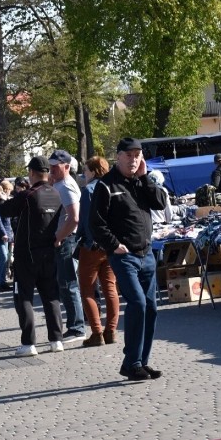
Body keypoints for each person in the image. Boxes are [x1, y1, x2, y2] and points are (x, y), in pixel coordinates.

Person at [90, 137, 168, 381]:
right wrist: (114, 245)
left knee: (151, 308)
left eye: (138, 155)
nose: (134, 159)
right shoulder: (106, 185)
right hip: (125, 257)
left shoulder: (140, 182)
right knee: (138, 304)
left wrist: (145, 177)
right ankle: (131, 362)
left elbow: (159, 202)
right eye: (129, 155)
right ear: (118, 156)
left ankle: (141, 362)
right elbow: (96, 224)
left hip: (146, 254)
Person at [0, 156, 65, 357]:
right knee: (51, 297)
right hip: (49, 252)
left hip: (27, 255)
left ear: (33, 173)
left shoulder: (28, 195)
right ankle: (56, 340)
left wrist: (0, 199)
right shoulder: (56, 194)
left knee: (24, 298)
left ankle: (29, 343)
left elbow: (5, 210)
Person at [77, 156, 120, 347]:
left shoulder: (89, 190)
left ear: (93, 171)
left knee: (87, 289)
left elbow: (87, 219)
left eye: (86, 170)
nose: (84, 174)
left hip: (93, 246)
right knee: (110, 289)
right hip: (111, 245)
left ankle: (96, 332)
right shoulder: (113, 186)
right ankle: (111, 330)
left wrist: (87, 241)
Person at [48, 149, 86, 342]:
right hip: (65, 239)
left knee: (68, 284)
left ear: (67, 166)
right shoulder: (60, 184)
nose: (51, 169)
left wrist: (58, 237)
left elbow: (75, 218)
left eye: (55, 166)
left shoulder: (67, 186)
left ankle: (77, 327)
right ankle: (76, 325)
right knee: (65, 284)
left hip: (67, 240)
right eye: (50, 166)